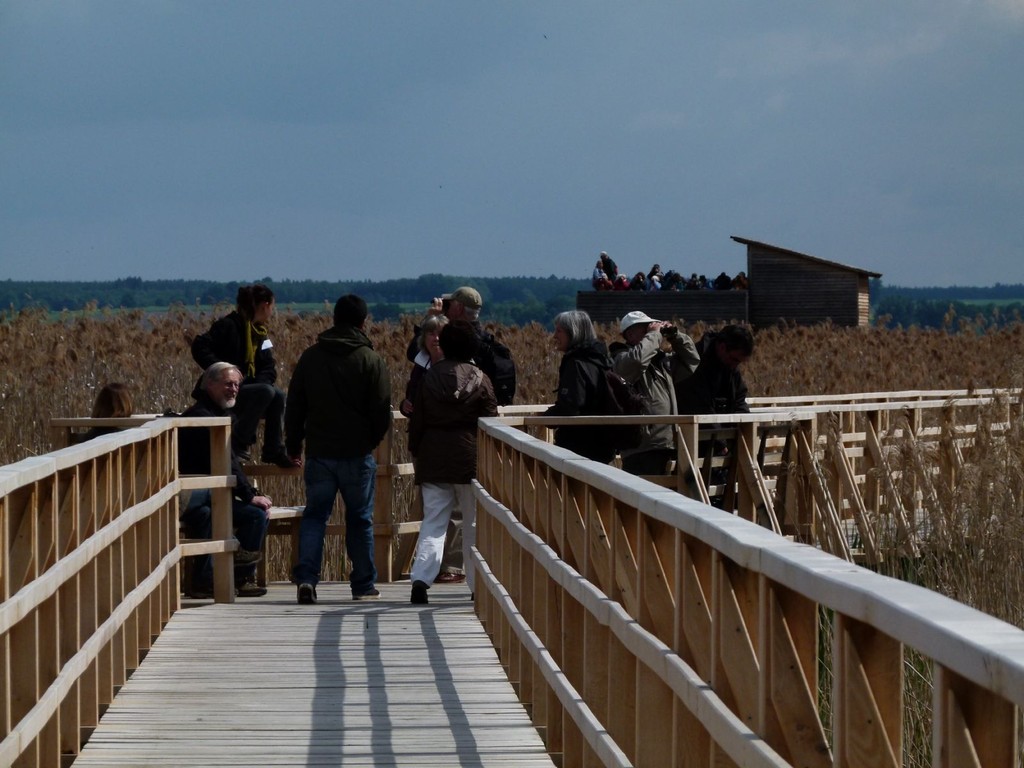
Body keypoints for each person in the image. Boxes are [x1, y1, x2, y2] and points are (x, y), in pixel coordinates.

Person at [285, 294, 392, 605]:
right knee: (360, 519)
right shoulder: (371, 361)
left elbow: (295, 407)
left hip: (319, 452)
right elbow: (381, 410)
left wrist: (295, 445)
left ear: (333, 319)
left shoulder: (311, 357)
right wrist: (369, 442)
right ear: (363, 322)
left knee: (315, 516)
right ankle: (363, 585)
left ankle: (306, 578)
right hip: (357, 454)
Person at [408, 321, 497, 605]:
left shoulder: (430, 377)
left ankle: (421, 580)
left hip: (433, 455)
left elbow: (418, 420)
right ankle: (475, 585)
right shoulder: (480, 378)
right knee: (471, 523)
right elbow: (491, 419)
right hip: (469, 457)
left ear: (444, 344)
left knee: (433, 521)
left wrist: (416, 451)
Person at [178, 362, 271, 599]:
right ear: (210, 384)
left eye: (237, 385)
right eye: (228, 384)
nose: (234, 389)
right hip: (192, 495)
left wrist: (249, 494)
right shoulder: (202, 419)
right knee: (253, 514)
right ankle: (235, 569)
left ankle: (229, 579)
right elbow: (228, 464)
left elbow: (231, 464)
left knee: (244, 514)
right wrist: (250, 495)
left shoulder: (220, 415)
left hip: (211, 496)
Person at [191, 284, 297, 467]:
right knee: (266, 392)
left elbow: (268, 366)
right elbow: (199, 346)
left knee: (277, 395)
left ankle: (274, 450)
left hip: (249, 389)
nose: (272, 312)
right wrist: (224, 371)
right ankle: (239, 443)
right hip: (225, 391)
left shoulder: (261, 335)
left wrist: (262, 383)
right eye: (272, 307)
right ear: (264, 305)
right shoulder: (228, 325)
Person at [400, 313, 466, 584]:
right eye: (430, 333)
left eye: (440, 333)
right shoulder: (420, 366)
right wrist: (406, 406)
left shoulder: (462, 366)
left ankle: (451, 566)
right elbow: (412, 398)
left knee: (457, 510)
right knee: (435, 509)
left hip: (454, 445)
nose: (435, 338)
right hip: (426, 445)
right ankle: (427, 572)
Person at [612, 311, 700, 476]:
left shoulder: (661, 361)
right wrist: (653, 335)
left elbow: (692, 361)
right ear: (630, 334)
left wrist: (675, 336)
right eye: (644, 328)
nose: (651, 330)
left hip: (667, 443)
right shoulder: (621, 359)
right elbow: (637, 362)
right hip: (642, 447)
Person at [405, 286, 516, 406]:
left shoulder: (457, 339)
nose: (445, 309)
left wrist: (430, 321)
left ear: (459, 308)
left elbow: (414, 353)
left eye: (449, 305)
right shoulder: (483, 340)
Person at [544, 310, 616, 464]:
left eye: (559, 331)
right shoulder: (602, 360)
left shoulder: (576, 363)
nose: (555, 336)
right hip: (603, 444)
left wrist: (544, 418)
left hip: (578, 446)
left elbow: (571, 405)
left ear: (573, 332)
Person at [676, 324, 753, 416]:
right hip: (696, 425)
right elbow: (699, 408)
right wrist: (723, 430)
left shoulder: (729, 365)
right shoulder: (694, 363)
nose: (735, 366)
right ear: (722, 347)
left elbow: (739, 400)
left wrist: (744, 425)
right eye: (734, 360)